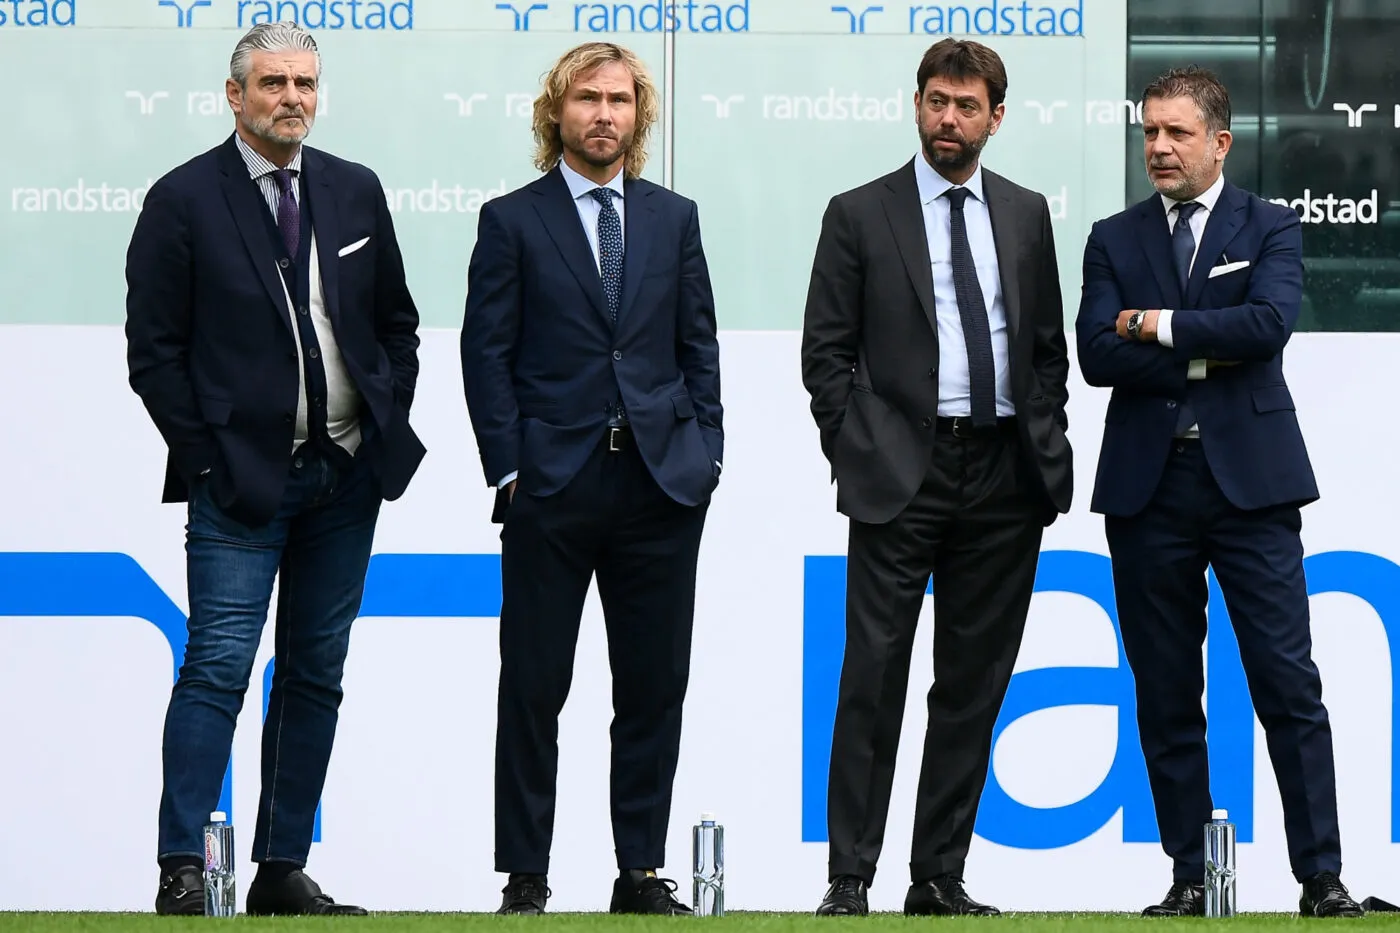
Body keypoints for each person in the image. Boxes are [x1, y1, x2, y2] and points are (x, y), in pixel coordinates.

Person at [124, 20, 425, 917]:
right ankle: (182, 865)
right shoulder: (182, 199)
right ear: (235, 95)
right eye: (273, 83)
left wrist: (383, 416)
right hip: (240, 483)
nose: (292, 98)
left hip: (347, 475)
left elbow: (397, 323)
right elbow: (155, 353)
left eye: (304, 83)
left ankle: (280, 868)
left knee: (314, 672)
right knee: (218, 665)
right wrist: (208, 458)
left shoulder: (355, 187)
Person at [1074, 65, 1363, 919]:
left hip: (1253, 489)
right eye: (1150, 131)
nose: (1159, 147)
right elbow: (1097, 354)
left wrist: (1156, 325)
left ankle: (1321, 877)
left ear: (1220, 142)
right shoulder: (1112, 237)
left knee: (1287, 683)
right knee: (1166, 694)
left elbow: (1267, 327)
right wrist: (1206, 349)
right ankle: (1193, 878)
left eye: (1177, 132)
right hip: (1147, 489)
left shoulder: (1270, 224)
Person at [800, 37, 1072, 917]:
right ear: (916, 105)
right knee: (872, 675)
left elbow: (1045, 349)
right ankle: (850, 876)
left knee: (972, 682)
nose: (948, 119)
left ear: (997, 117)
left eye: (966, 106)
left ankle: (937, 876)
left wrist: (1044, 440)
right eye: (936, 102)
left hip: (1004, 473)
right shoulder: (859, 212)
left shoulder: (1026, 213)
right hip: (899, 473)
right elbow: (825, 355)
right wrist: (859, 446)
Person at [460, 41, 722, 916]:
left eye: (618, 99)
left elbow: (697, 345)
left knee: (653, 687)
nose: (604, 113)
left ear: (638, 115)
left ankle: (639, 873)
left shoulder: (673, 218)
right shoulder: (511, 220)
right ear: (557, 112)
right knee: (534, 686)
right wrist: (509, 467)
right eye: (587, 98)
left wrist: (707, 453)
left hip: (660, 484)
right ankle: (525, 876)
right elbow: (486, 353)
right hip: (551, 483)